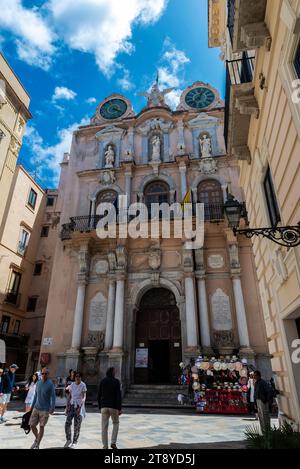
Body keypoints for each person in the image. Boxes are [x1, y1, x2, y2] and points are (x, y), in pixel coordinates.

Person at [29, 367, 56, 449]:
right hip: (36, 407)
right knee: (32, 425)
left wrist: (52, 407)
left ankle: (37, 444)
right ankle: (37, 439)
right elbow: (35, 395)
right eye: (42, 373)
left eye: (45, 373)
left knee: (41, 426)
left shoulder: (50, 384)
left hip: (45, 409)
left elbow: (53, 397)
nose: (44, 375)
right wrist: (32, 406)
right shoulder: (38, 383)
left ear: (48, 374)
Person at [98, 368, 122, 450]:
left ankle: (105, 446)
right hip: (113, 406)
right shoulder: (116, 381)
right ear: (112, 373)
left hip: (104, 406)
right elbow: (118, 395)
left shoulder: (102, 381)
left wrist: (99, 406)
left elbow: (99, 395)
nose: (115, 373)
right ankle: (113, 442)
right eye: (114, 372)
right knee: (116, 423)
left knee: (104, 427)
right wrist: (119, 408)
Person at [64, 372, 87, 449]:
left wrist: (80, 407)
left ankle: (74, 441)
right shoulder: (72, 385)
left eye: (79, 376)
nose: (77, 377)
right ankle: (68, 439)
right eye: (76, 376)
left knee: (77, 425)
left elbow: (84, 397)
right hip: (71, 405)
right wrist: (67, 407)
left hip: (78, 406)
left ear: (81, 377)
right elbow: (70, 396)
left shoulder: (83, 385)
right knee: (67, 423)